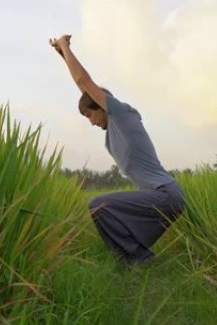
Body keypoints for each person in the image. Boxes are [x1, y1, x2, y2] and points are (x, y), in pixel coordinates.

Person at [49, 34, 186, 264]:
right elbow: (83, 88)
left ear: (102, 107)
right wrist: (63, 54)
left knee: (98, 205)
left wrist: (64, 45)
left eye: (90, 114)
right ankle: (131, 261)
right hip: (159, 197)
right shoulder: (112, 134)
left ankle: (139, 260)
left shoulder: (121, 114)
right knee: (107, 213)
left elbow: (83, 82)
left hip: (165, 194)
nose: (91, 121)